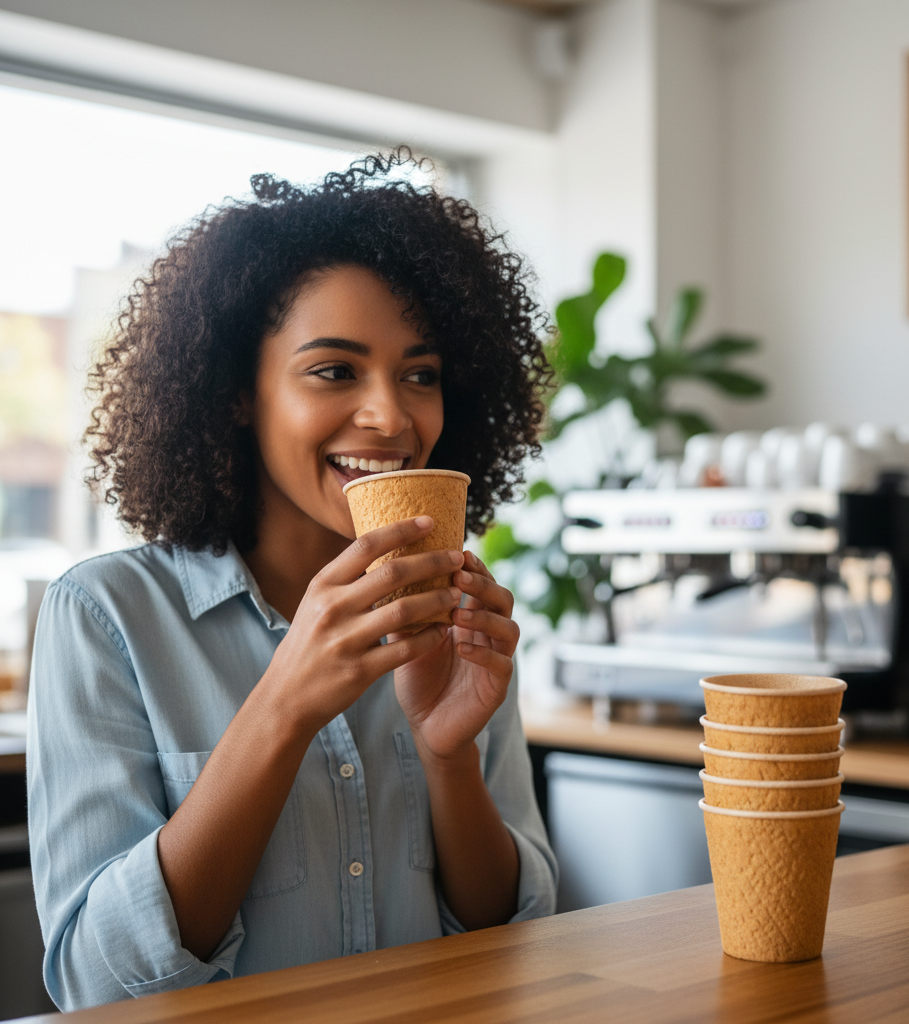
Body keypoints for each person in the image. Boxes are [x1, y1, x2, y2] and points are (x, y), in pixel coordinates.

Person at [26, 151, 558, 1011]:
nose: (391, 415)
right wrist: (285, 704)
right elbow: (95, 982)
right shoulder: (106, 616)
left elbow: (514, 931)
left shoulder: (455, 612)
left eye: (420, 374)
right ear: (239, 393)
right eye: (334, 371)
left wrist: (447, 754)